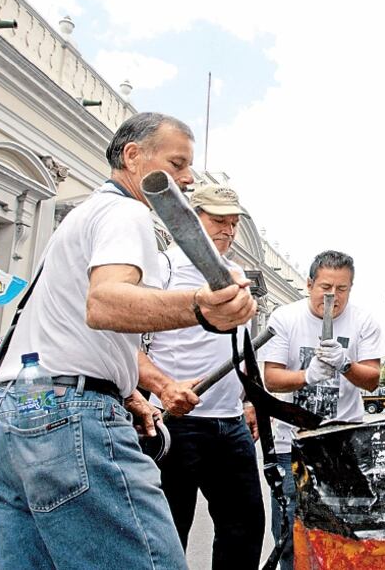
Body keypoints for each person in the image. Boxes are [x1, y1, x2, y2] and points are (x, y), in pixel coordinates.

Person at [0, 112, 257, 570]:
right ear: (133, 156)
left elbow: (69, 326)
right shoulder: (127, 211)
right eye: (178, 163)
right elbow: (104, 304)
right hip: (66, 416)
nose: (188, 178)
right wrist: (201, 306)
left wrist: (131, 392)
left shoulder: (83, 217)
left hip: (14, 415)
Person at [137, 183, 264, 568]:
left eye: (234, 222)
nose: (229, 230)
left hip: (230, 425)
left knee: (245, 528)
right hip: (177, 424)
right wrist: (162, 388)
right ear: (191, 219)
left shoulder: (236, 273)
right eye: (218, 220)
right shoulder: (163, 267)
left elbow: (240, 347)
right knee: (169, 533)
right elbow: (125, 347)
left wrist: (248, 400)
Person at [260, 250, 385, 570]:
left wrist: (346, 364)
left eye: (342, 289)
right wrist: (307, 376)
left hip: (345, 446)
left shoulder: (363, 321)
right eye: (326, 287)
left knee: (345, 536)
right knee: (291, 537)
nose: (333, 296)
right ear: (309, 285)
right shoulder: (285, 318)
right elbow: (271, 379)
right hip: (293, 446)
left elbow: (372, 380)